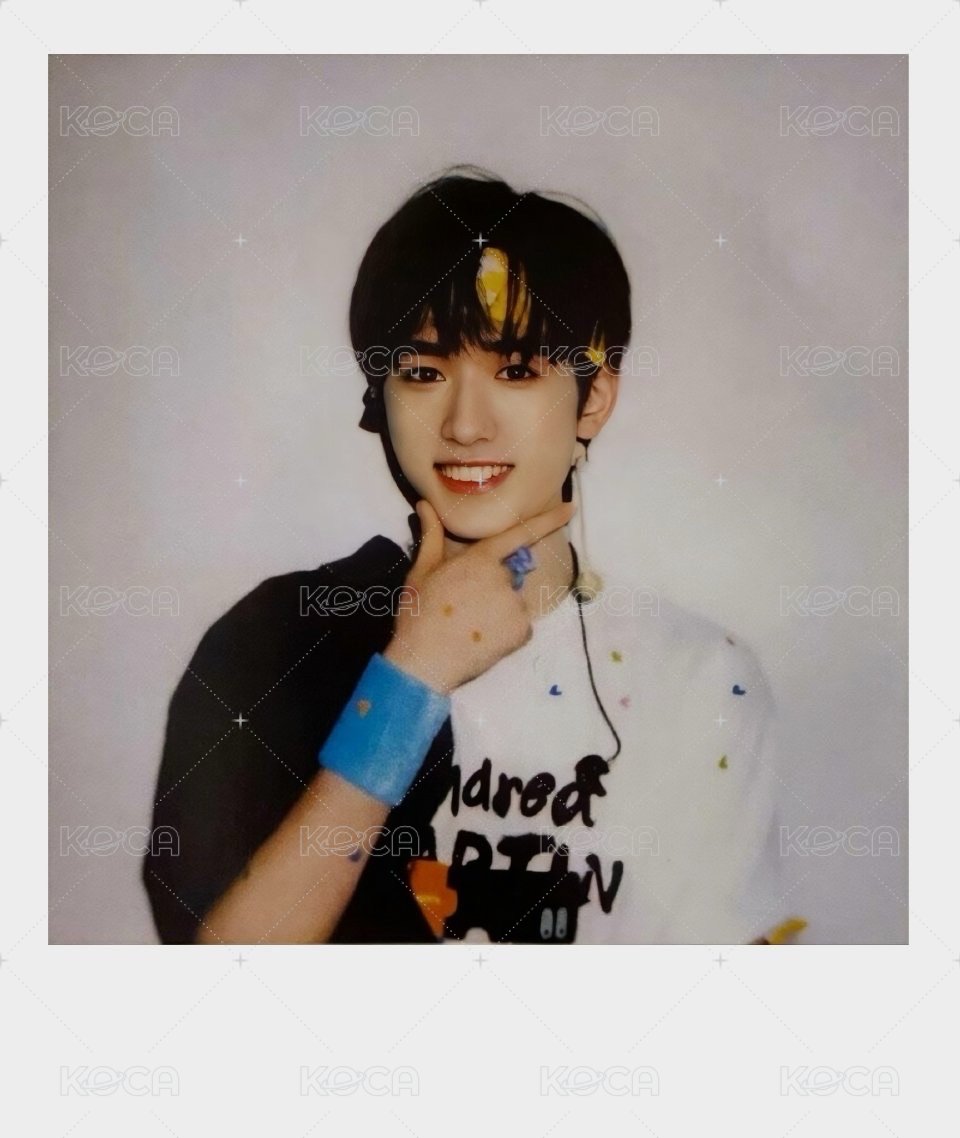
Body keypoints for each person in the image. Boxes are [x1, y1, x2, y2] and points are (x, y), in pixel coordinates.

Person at [143, 166, 804, 945]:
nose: (464, 425)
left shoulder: (698, 678)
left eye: (516, 369)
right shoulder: (277, 642)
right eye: (423, 372)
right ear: (381, 392)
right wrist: (410, 679)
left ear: (593, 397)